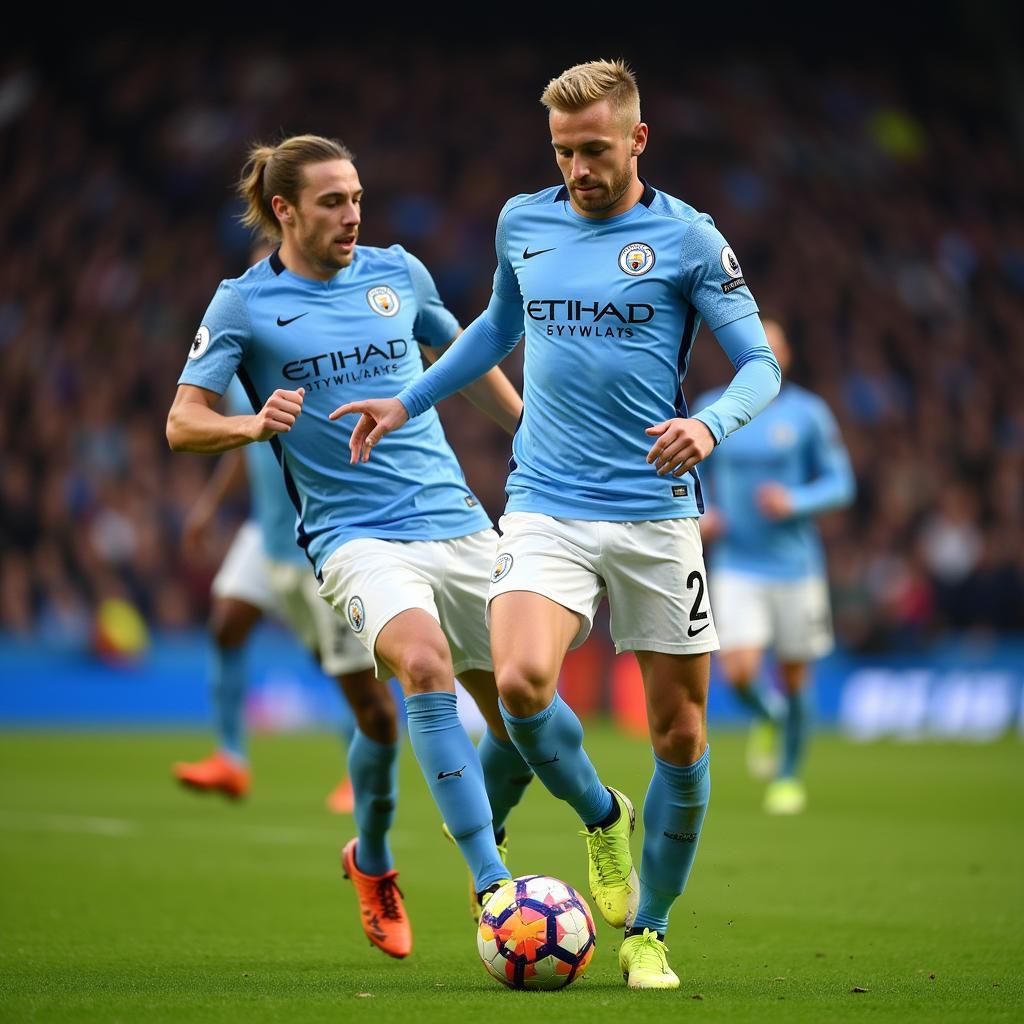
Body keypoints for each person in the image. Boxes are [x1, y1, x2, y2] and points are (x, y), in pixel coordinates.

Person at [334, 60, 781, 989]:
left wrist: (708, 424)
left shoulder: (691, 239)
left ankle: (647, 931)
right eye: (563, 152)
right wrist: (406, 402)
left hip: (658, 516)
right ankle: (600, 814)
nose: (578, 168)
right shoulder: (522, 221)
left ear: (637, 141)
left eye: (594, 150)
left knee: (683, 736)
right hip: (544, 504)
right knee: (525, 685)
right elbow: (496, 330)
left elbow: (758, 369)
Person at [166, 134, 532, 961]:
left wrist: (531, 431)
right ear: (285, 210)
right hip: (342, 542)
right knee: (412, 681)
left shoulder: (398, 272)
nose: (352, 214)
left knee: (515, 711)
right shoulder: (242, 303)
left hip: (449, 524)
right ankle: (472, 878)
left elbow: (464, 352)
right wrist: (250, 424)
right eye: (332, 201)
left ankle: (381, 849)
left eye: (357, 197)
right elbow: (182, 421)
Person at [173, 375, 391, 815]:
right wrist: (211, 505)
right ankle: (231, 758)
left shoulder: (318, 360)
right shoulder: (241, 372)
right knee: (226, 626)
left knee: (339, 667)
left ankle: (360, 777)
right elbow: (247, 446)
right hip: (266, 534)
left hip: (321, 536)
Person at [696, 318, 855, 815]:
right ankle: (771, 716)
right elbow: (686, 481)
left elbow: (841, 484)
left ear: (785, 357)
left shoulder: (808, 414)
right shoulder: (712, 408)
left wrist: (796, 500)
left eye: (774, 346)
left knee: (795, 674)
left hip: (795, 567)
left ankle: (787, 778)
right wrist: (702, 516)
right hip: (737, 563)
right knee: (739, 671)